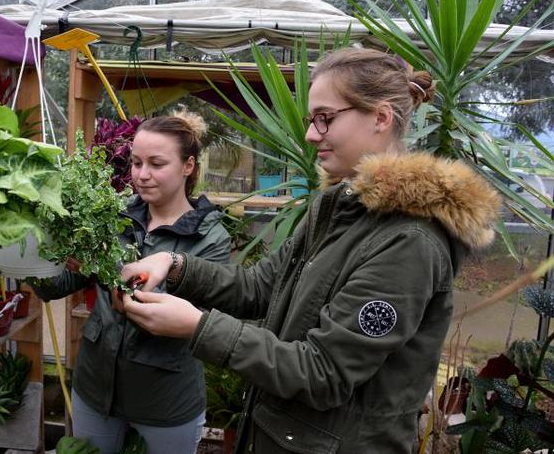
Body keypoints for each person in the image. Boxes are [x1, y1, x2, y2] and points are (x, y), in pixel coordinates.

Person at [119, 48, 502, 454]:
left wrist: (198, 327)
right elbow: (259, 285)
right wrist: (174, 265)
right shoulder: (339, 206)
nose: (310, 134)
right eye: (310, 119)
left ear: (381, 117)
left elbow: (324, 372)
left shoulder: (408, 241)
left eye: (325, 118)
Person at [32, 111, 231, 454]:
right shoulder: (113, 215)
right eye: (136, 162)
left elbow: (180, 319)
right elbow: (54, 287)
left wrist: (108, 269)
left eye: (156, 163)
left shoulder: (210, 239)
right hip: (95, 392)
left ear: (188, 166)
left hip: (166, 403)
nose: (142, 175)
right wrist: (29, 255)